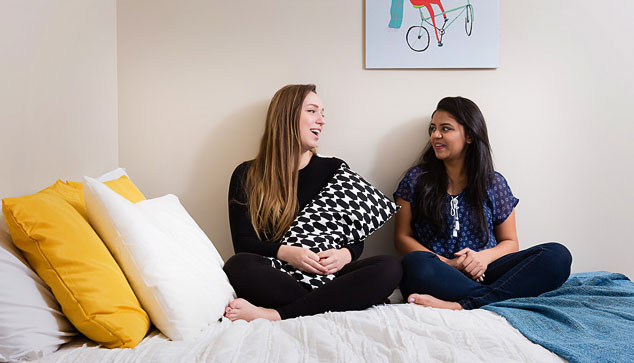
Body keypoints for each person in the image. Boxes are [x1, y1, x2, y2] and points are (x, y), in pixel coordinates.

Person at [224, 84, 401, 321]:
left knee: (390, 267)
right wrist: (287, 253)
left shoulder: (335, 169)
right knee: (238, 266)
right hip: (279, 273)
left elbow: (354, 238)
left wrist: (345, 255)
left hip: (328, 274)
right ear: (286, 115)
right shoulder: (247, 174)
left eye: (323, 113)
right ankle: (335, 301)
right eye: (312, 111)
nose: (322, 121)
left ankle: (278, 314)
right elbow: (243, 243)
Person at [394, 96, 572, 310]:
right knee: (414, 264)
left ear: (469, 135)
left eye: (446, 129)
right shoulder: (416, 179)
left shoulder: (493, 183)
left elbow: (510, 242)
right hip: (439, 272)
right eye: (432, 129)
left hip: (487, 271)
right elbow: (402, 237)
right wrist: (449, 263)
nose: (435, 135)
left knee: (557, 256)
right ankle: (491, 299)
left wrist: (482, 258)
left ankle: (462, 305)